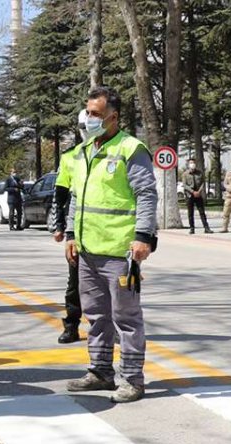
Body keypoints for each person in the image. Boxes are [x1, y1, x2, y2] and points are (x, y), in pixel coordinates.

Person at [63, 86, 158, 404]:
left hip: (121, 252)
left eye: (96, 115)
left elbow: (146, 194)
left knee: (126, 318)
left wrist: (143, 237)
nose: (88, 119)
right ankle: (100, 371)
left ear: (113, 117)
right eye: (88, 112)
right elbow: (77, 196)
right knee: (95, 315)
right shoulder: (84, 151)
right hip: (88, 251)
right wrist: (71, 235)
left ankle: (132, 379)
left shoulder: (131, 149)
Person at [49, 117, 87, 344]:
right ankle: (71, 325)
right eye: (82, 127)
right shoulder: (70, 156)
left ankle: (111, 326)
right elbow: (61, 194)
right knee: (75, 285)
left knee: (112, 287)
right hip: (79, 231)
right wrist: (60, 226)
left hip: (110, 235)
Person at [182, 156, 211, 234]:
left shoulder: (200, 173)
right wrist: (192, 192)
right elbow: (185, 185)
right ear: (188, 164)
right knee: (190, 213)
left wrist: (199, 192)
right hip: (189, 195)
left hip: (198, 195)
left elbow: (202, 183)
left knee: (202, 212)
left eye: (193, 163)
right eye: (191, 163)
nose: (192, 164)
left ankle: (206, 228)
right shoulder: (185, 174)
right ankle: (192, 228)